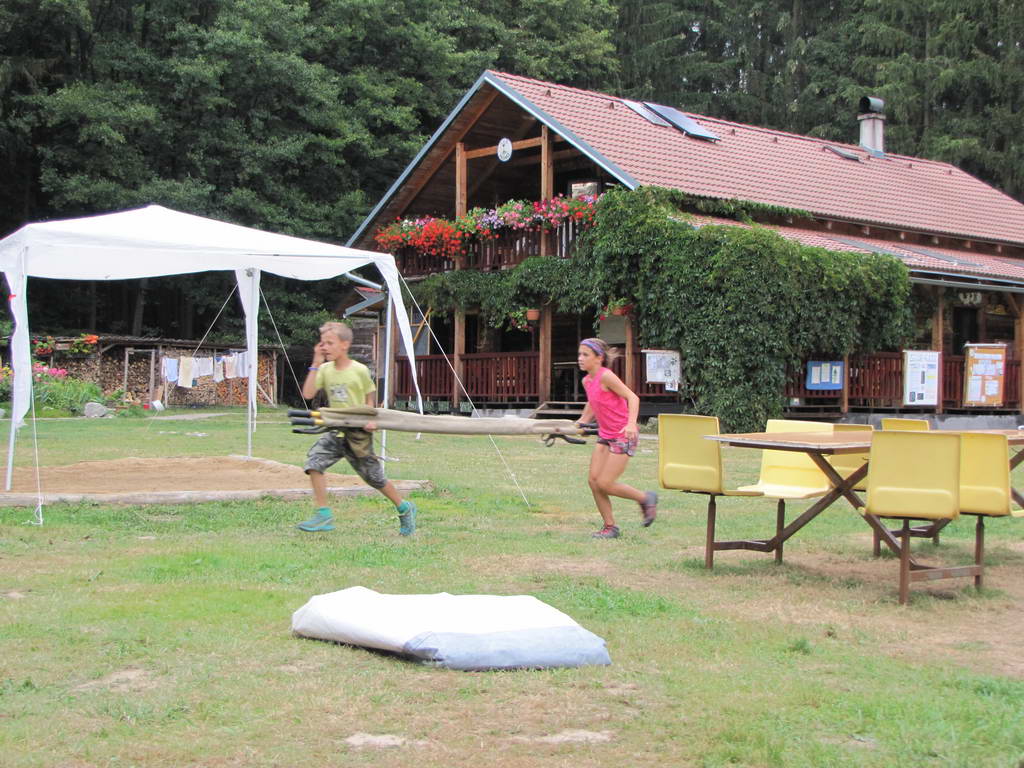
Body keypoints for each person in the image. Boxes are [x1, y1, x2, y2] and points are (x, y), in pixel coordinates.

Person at [296, 321, 417, 535]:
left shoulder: (359, 370)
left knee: (374, 478)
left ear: (344, 345)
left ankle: (404, 507)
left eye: (330, 343)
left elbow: (370, 399)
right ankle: (323, 514)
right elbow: (307, 394)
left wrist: (370, 421)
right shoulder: (324, 369)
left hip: (358, 434)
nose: (325, 347)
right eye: (322, 343)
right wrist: (316, 362)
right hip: (336, 431)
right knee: (314, 463)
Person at [575, 337, 657, 538]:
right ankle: (610, 527)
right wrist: (580, 423)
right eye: (579, 354)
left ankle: (645, 498)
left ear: (599, 358)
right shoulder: (587, 381)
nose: (580, 358)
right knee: (594, 481)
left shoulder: (606, 376)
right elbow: (593, 403)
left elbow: (632, 397)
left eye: (585, 354)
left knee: (605, 483)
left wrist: (631, 424)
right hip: (605, 435)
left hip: (623, 435)